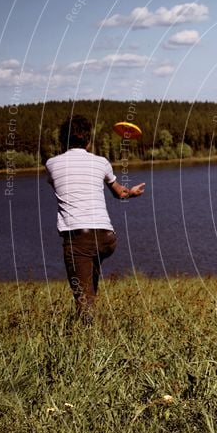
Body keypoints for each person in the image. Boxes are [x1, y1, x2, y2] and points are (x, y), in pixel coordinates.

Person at [46, 114, 145, 325]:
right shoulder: (101, 162)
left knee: (83, 298)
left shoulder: (52, 164)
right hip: (107, 239)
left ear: (62, 141)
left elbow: (58, 186)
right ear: (89, 141)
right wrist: (133, 193)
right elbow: (120, 193)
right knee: (89, 286)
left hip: (79, 240)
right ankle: (93, 327)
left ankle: (89, 341)